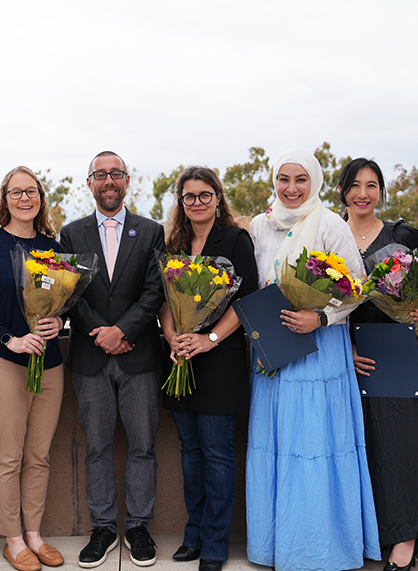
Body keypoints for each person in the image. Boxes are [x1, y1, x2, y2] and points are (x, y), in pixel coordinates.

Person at [245, 148, 380, 571]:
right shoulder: (260, 226)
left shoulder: (331, 223)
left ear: (315, 182)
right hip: (274, 352)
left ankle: (324, 547)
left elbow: (357, 288)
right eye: (283, 179)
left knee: (317, 444)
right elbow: (255, 286)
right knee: (279, 443)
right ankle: (274, 545)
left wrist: (319, 316)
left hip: (321, 352)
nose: (291, 188)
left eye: (300, 179)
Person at [338, 158, 418, 571]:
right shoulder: (329, 236)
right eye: (355, 185)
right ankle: (369, 533)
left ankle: (405, 535)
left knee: (400, 442)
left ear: (381, 192)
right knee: (357, 447)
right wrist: (342, 349)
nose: (363, 194)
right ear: (342, 191)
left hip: (395, 351)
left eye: (372, 185)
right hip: (344, 352)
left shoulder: (402, 235)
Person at [59, 151, 165, 568]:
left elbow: (156, 291)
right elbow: (70, 292)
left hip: (139, 356)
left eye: (115, 174)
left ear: (126, 181)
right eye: (100, 175)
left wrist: (123, 331)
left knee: (143, 447)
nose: (108, 181)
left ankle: (138, 526)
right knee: (96, 447)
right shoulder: (72, 233)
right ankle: (102, 528)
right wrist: (103, 334)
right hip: (90, 358)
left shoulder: (151, 231)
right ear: (89, 183)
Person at [158, 167, 257, 571]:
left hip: (221, 359)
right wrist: (172, 338)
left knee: (217, 453)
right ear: (180, 203)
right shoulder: (174, 244)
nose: (196, 202)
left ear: (218, 197)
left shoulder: (235, 239)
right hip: (180, 357)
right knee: (190, 451)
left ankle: (215, 542)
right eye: (188, 196)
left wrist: (208, 339)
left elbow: (246, 299)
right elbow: (163, 299)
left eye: (204, 195)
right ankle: (194, 532)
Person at [0, 167, 66, 571]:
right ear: (4, 198)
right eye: (16, 192)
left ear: (40, 197)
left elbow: (64, 302)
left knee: (39, 456)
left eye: (32, 191)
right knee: (8, 457)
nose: (24, 198)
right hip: (6, 361)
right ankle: (12, 539)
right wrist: (11, 339)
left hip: (50, 363)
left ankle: (34, 534)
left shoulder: (53, 247)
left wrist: (59, 321)